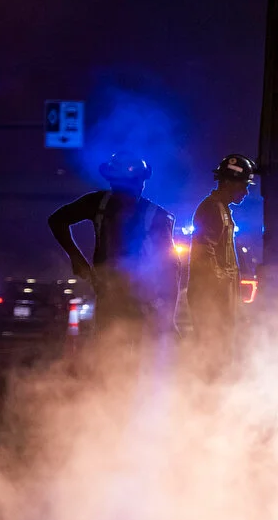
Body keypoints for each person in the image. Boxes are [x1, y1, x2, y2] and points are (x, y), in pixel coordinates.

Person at [48, 151, 177, 335]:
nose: (137, 186)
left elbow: (171, 268)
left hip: (144, 301)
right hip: (108, 296)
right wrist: (76, 257)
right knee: (110, 351)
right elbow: (57, 220)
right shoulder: (97, 203)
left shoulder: (156, 216)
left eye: (138, 181)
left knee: (137, 356)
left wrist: (168, 313)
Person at [186, 154, 256, 364]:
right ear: (227, 182)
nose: (245, 192)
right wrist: (219, 290)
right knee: (213, 356)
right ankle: (208, 395)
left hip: (220, 299)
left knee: (223, 354)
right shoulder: (211, 208)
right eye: (242, 185)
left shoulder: (221, 209)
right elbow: (203, 254)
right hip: (212, 300)